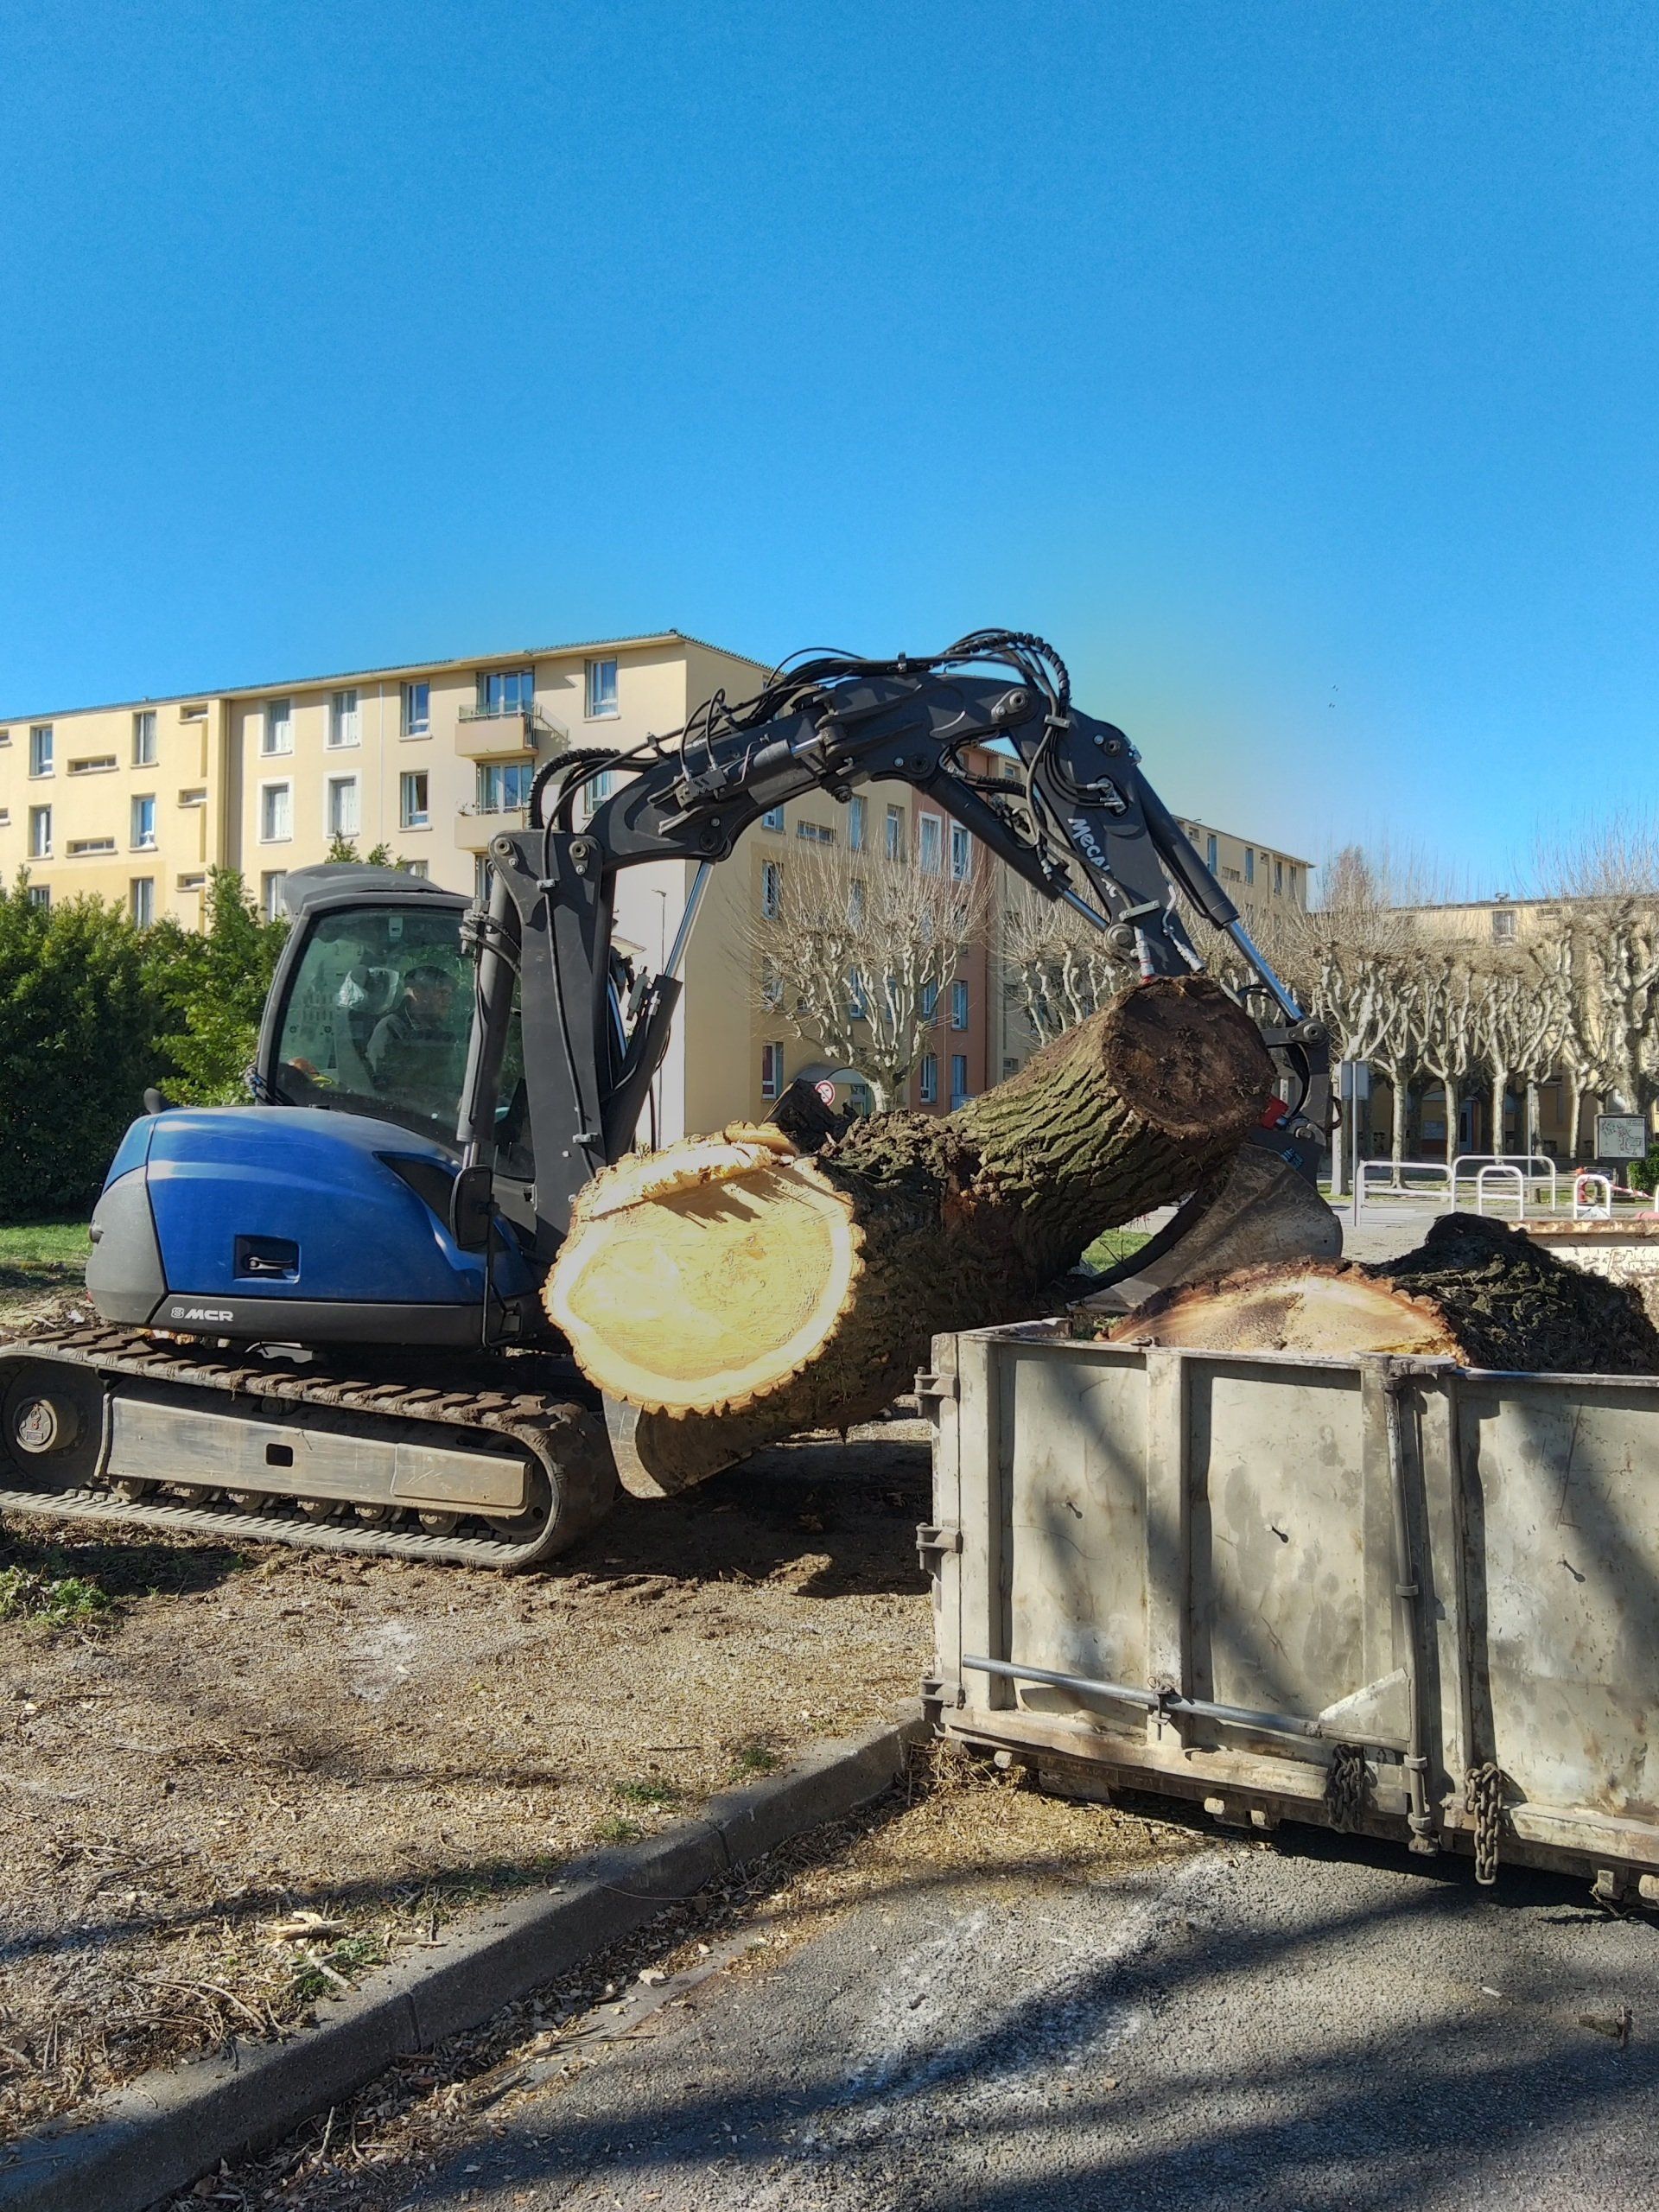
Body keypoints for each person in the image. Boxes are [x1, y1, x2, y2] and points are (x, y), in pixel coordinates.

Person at [366, 963, 465, 1118]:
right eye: (442, 993)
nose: (448, 1001)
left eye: (449, 994)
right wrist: (448, 1101)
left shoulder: (438, 1032)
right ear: (418, 993)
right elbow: (388, 1090)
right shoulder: (392, 1028)